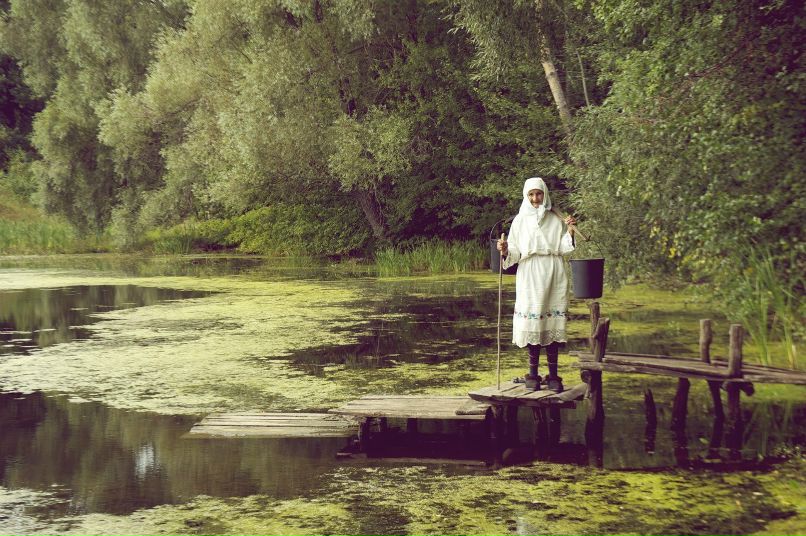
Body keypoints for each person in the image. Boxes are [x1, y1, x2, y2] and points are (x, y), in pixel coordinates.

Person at [497, 177, 576, 392]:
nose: (535, 198)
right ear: (526, 195)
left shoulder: (555, 218)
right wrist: (505, 249)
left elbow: (564, 248)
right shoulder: (520, 220)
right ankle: (532, 376)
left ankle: (553, 377)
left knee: (551, 323)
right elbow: (514, 252)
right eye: (531, 194)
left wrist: (569, 230)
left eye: (538, 194)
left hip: (553, 271)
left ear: (544, 194)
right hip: (530, 272)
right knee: (533, 322)